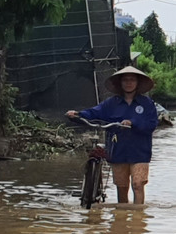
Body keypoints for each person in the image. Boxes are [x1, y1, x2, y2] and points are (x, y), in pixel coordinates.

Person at [68, 65, 159, 204]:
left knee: (138, 184)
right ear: (120, 83)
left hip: (140, 151)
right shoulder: (111, 103)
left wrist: (133, 123)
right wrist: (78, 114)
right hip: (118, 150)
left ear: (137, 83)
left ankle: (138, 215)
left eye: (132, 80)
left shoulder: (147, 104)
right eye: (125, 80)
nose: (128, 83)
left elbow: (152, 124)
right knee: (122, 187)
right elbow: (94, 112)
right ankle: (121, 215)